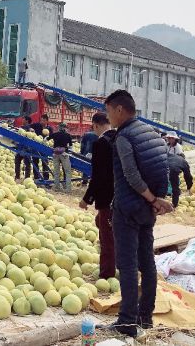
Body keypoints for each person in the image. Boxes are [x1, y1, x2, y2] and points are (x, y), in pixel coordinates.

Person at [100, 89, 173, 338]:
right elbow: (163, 168)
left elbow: (131, 175)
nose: (108, 117)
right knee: (147, 262)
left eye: (109, 112)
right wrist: (157, 201)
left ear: (120, 110)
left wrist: (152, 199)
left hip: (128, 208)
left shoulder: (124, 137)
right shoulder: (152, 134)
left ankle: (127, 321)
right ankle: (146, 317)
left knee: (128, 265)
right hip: (146, 210)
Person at [79, 112, 116, 279]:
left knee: (107, 238)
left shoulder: (101, 143)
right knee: (105, 226)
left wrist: (87, 199)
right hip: (124, 196)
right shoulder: (121, 138)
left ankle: (106, 275)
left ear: (95, 125)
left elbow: (98, 176)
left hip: (107, 198)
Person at [49, 123, 73, 191]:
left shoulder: (55, 134)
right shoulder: (68, 135)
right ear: (65, 128)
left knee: (56, 172)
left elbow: (47, 138)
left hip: (55, 154)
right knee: (67, 172)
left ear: (59, 128)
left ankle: (57, 187)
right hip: (64, 154)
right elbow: (70, 146)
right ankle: (68, 189)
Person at [28, 114, 51, 180]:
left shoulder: (49, 129)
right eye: (41, 120)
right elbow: (28, 126)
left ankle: (46, 177)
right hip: (36, 147)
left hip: (45, 148)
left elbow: (52, 138)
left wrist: (49, 136)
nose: (42, 122)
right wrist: (30, 128)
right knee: (35, 162)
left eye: (43, 120)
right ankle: (36, 177)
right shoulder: (37, 125)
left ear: (47, 121)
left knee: (45, 163)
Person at [14, 116, 35, 180]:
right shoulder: (26, 128)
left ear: (27, 121)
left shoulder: (29, 128)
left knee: (21, 163)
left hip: (25, 148)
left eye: (23, 119)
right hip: (22, 148)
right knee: (24, 164)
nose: (22, 120)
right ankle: (25, 177)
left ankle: (19, 177)